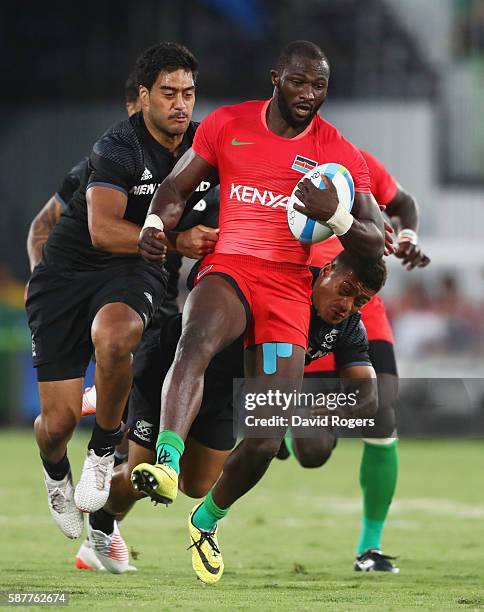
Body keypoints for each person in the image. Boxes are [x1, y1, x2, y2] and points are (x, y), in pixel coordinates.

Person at [132, 40, 385, 584]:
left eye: (319, 86)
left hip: (291, 287)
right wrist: (156, 226)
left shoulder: (339, 151)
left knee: (267, 439)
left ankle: (207, 520)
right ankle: (168, 463)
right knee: (196, 340)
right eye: (299, 83)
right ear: (277, 79)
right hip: (232, 265)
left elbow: (373, 241)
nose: (309, 95)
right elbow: (176, 187)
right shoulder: (227, 124)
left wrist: (337, 216)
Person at [80, 250, 384, 574]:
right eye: (346, 290)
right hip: (170, 370)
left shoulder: (348, 326)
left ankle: (118, 423)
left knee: (196, 486)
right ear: (328, 270)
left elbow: (367, 396)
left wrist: (315, 411)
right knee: (145, 476)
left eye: (359, 301)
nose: (347, 305)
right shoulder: (283, 284)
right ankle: (101, 518)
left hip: (223, 394)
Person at [25, 43, 218, 549]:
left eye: (190, 94)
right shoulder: (116, 148)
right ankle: (55, 472)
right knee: (57, 422)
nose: (181, 104)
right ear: (143, 97)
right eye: (169, 93)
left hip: (135, 271)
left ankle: (103, 451)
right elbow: (101, 229)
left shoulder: (205, 151)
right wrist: (178, 241)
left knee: (117, 337)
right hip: (68, 275)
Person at [298, 148, 430, 573]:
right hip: (308, 302)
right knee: (313, 452)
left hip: (361, 308)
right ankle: (285, 427)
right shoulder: (273, 159)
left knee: (381, 413)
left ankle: (369, 548)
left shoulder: (353, 160)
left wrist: (407, 236)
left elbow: (404, 204)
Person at [26, 74, 142, 273]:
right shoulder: (93, 172)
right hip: (98, 291)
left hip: (165, 297)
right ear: (131, 108)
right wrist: (39, 277)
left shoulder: (187, 176)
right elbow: (42, 225)